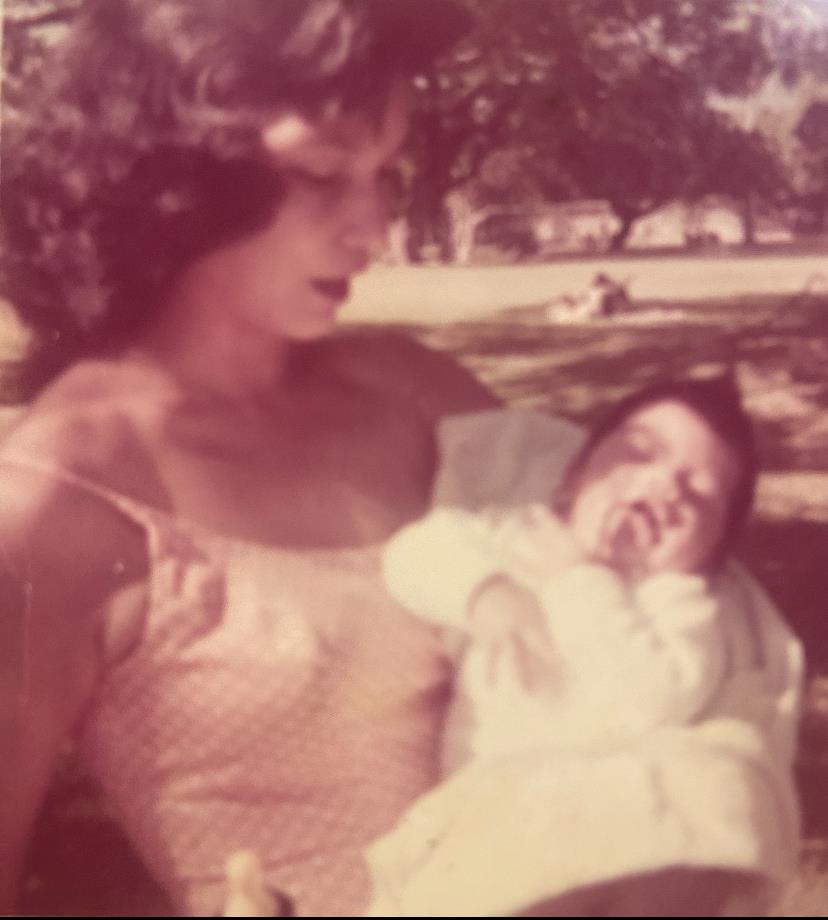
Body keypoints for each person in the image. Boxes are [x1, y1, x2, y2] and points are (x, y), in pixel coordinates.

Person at [0, 2, 802, 917]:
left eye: (386, 174)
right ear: (170, 175)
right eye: (322, 175)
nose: (374, 226)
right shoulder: (53, 506)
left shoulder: (425, 396)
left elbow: (667, 630)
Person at [365, 378, 801, 915]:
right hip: (490, 810)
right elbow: (413, 551)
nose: (664, 488)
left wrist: (582, 580)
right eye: (640, 453)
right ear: (575, 473)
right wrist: (485, 593)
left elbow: (655, 698)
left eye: (697, 494)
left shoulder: (679, 601)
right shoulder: (517, 532)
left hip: (607, 835)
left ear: (712, 557)